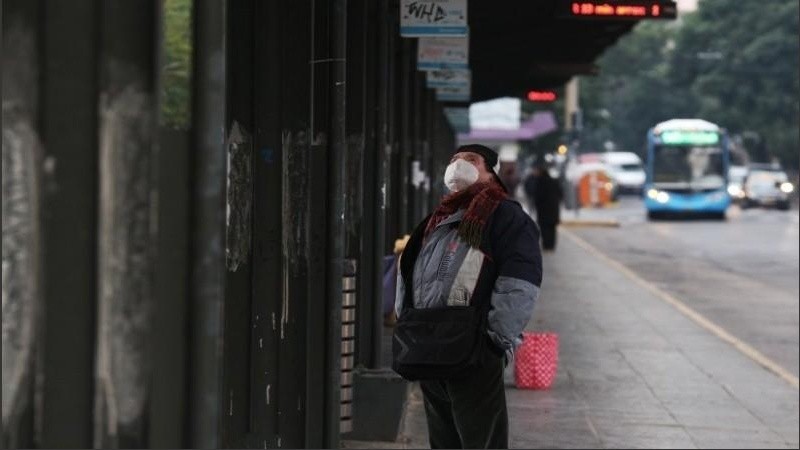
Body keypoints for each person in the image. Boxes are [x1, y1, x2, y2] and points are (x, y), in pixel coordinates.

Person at [393, 144, 542, 449]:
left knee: (481, 440)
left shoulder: (506, 217)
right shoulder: (438, 219)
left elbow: (519, 282)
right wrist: (406, 320)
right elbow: (409, 271)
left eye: (470, 160)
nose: (459, 165)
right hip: (428, 344)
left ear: (490, 172)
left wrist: (494, 340)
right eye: (454, 160)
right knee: (443, 439)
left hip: (473, 350)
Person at [531, 161, 563, 251]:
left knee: (544, 229)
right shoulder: (554, 181)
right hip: (554, 209)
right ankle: (552, 246)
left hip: (543, 210)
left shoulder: (540, 182)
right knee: (552, 229)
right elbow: (560, 194)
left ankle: (546, 245)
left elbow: (537, 196)